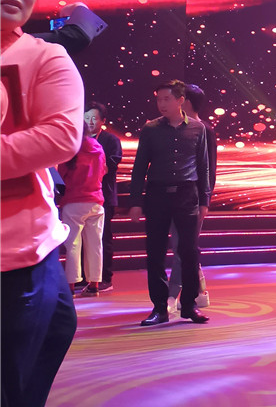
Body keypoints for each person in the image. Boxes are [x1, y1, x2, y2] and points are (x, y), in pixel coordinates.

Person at [1, 0, 83, 407]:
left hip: (33, 248)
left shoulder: (44, 56)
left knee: (56, 332)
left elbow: (61, 136)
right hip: (15, 258)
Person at [129, 80, 211, 326]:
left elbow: (203, 166)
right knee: (155, 252)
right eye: (158, 99)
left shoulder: (198, 128)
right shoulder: (150, 129)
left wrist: (205, 200)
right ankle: (159, 308)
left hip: (187, 194)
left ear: (180, 100)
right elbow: (139, 167)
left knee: (189, 251)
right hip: (157, 194)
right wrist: (135, 201)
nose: (161, 104)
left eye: (166, 99)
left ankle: (189, 305)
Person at [166, 84, 216, 317]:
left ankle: (171, 296)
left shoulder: (203, 129)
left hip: (193, 199)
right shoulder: (173, 127)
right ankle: (199, 292)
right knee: (185, 248)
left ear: (185, 101)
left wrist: (205, 199)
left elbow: (209, 168)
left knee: (183, 247)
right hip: (175, 197)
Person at [57, 125, 107, 295]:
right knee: (95, 244)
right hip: (95, 201)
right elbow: (102, 171)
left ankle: (71, 286)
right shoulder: (98, 148)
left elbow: (61, 176)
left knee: (72, 245)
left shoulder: (70, 148)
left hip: (73, 201)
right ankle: (94, 284)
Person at [84, 102, 122, 294]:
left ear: (103, 121)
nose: (90, 122)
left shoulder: (110, 140)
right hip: (80, 197)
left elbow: (111, 165)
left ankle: (105, 278)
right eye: (87, 117)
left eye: (94, 118)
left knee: (102, 238)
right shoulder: (77, 139)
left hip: (103, 197)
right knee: (81, 241)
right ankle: (85, 278)